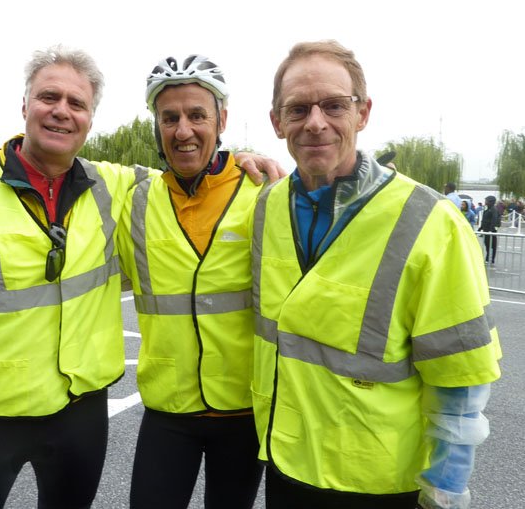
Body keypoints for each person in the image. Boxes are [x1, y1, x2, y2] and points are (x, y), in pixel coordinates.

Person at [0, 44, 282, 509]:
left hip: (80, 416)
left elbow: (198, 175)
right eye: (49, 97)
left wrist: (244, 159)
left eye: (77, 104)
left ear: (91, 118)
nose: (61, 112)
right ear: (24, 105)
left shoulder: (112, 186)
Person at [251, 40, 502, 509]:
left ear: (363, 113)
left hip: (378, 483)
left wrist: (445, 490)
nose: (316, 122)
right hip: (284, 464)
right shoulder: (267, 206)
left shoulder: (430, 220)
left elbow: (461, 377)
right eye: (298, 108)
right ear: (277, 121)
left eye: (333, 105)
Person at [118, 55, 263, 509]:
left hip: (242, 411)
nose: (183, 130)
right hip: (169, 411)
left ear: (222, 120)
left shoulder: (265, 192)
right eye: (170, 118)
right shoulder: (134, 201)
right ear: (157, 126)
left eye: (197, 115)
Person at [478, 195, 500, 264]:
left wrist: (491, 229)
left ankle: (492, 259)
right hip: (486, 229)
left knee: (493, 245)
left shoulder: (494, 209)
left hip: (490, 230)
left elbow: (494, 219)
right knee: (487, 244)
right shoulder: (487, 209)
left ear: (490, 202)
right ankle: (488, 256)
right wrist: (480, 228)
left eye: (486, 200)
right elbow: (484, 219)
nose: (485, 202)